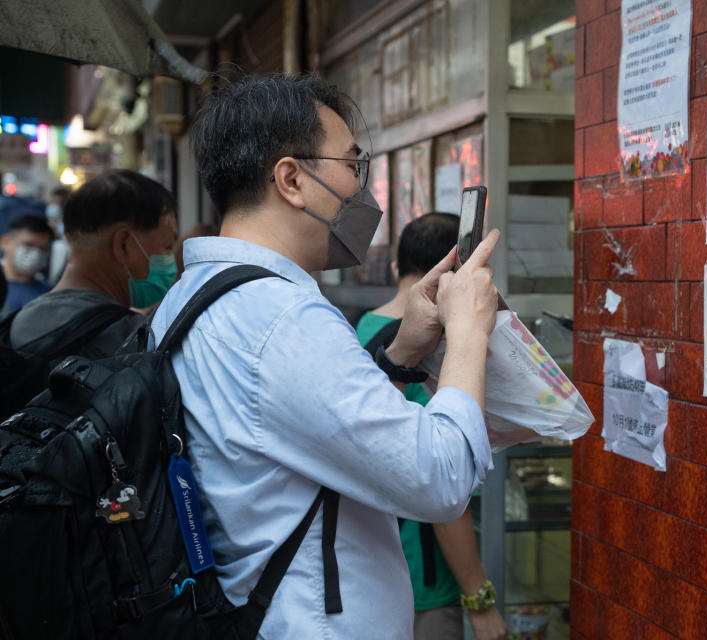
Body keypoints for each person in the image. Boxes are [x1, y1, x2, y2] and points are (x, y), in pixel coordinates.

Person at [149, 73, 500, 639]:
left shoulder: (198, 293)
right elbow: (439, 479)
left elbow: (309, 436)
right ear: (291, 179)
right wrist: (468, 333)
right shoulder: (281, 319)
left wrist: (403, 349)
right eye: (352, 166)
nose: (364, 191)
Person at [356, 212, 507, 640]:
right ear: (459, 272)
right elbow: (440, 475)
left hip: (373, 561)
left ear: (395, 267)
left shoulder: (361, 330)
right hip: (421, 576)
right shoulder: (431, 349)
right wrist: (479, 601)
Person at [8, 170, 178, 359]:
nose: (170, 261)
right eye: (168, 247)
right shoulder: (130, 342)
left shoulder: (21, 321)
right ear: (123, 245)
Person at [1, 214, 54, 314]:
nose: (36, 254)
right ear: (6, 242)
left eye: (43, 249)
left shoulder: (49, 295)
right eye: (28, 244)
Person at [45, 186, 72, 284]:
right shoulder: (52, 243)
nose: (52, 205)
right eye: (52, 201)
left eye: (55, 202)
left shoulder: (62, 246)